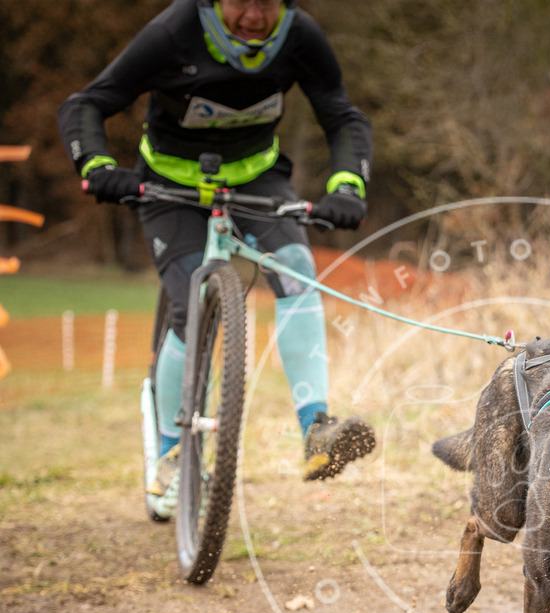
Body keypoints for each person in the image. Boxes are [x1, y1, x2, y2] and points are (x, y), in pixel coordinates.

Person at [58, 0, 376, 517]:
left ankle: (317, 432)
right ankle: (169, 456)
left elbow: (342, 115)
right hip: (170, 186)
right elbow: (85, 104)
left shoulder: (299, 36)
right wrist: (95, 165)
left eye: (267, 2)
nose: (253, 14)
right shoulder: (172, 33)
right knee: (189, 302)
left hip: (257, 179)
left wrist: (348, 185)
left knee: (298, 272)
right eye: (239, 1)